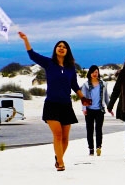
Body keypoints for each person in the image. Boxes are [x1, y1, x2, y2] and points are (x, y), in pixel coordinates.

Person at [18, 31, 83, 170]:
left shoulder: (71, 68)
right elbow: (32, 55)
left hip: (66, 105)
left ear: (67, 51)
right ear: (55, 49)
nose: (61, 48)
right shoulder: (49, 63)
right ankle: (60, 163)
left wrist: (83, 97)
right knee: (58, 134)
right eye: (59, 46)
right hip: (52, 104)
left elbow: (74, 85)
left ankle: (58, 157)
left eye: (64, 46)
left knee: (65, 139)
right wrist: (26, 39)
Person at [82, 64, 108, 154]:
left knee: (99, 129)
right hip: (89, 110)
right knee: (89, 129)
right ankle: (91, 148)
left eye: (96, 72)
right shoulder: (86, 85)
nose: (94, 74)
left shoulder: (103, 84)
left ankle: (98, 147)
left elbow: (106, 96)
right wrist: (84, 108)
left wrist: (109, 107)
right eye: (93, 72)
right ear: (90, 73)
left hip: (100, 110)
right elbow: (84, 97)